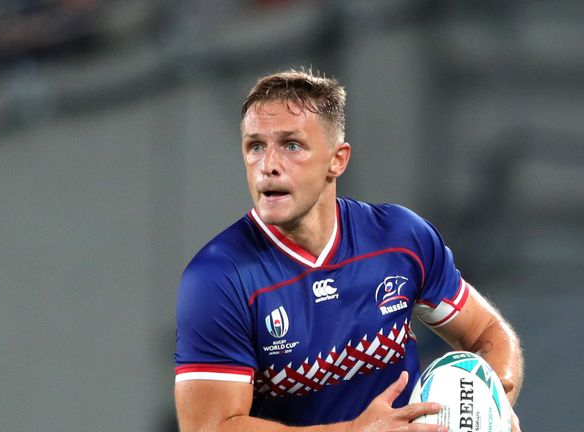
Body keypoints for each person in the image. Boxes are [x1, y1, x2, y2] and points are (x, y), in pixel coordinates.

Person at [173, 69, 524, 431]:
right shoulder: (218, 278)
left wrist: (492, 401)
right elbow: (209, 427)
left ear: (337, 159)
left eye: (291, 145)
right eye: (255, 146)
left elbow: (488, 332)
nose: (268, 165)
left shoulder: (401, 238)